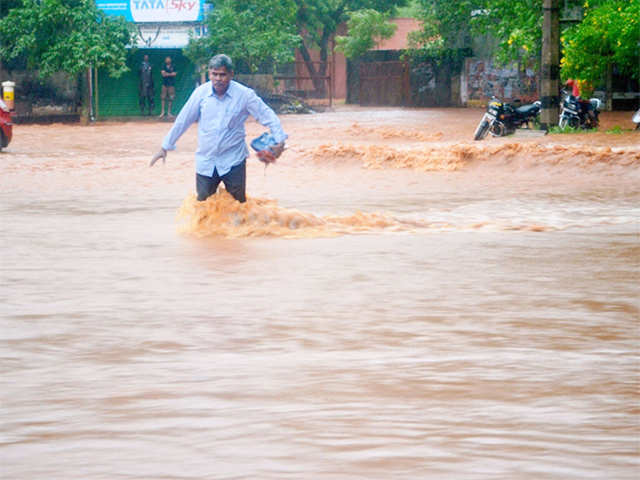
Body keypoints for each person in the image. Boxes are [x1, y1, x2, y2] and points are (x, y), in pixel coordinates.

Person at [149, 54, 286, 203]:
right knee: (204, 209)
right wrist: (164, 147)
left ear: (231, 74)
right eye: (214, 74)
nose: (218, 79)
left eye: (222, 75)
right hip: (206, 161)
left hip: (233, 161)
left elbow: (268, 116)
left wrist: (280, 140)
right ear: (209, 73)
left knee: (238, 209)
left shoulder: (245, 95)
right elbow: (183, 120)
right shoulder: (200, 94)